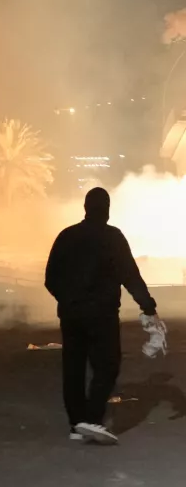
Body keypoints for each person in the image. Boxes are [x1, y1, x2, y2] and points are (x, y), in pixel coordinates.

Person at [45, 187, 159, 445]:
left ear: (85, 208)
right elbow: (130, 275)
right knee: (107, 365)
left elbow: (50, 278)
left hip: (71, 316)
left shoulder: (66, 236)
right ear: (107, 210)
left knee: (73, 369)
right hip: (102, 315)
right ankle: (92, 419)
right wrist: (148, 307)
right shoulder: (113, 238)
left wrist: (67, 300)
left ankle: (76, 424)